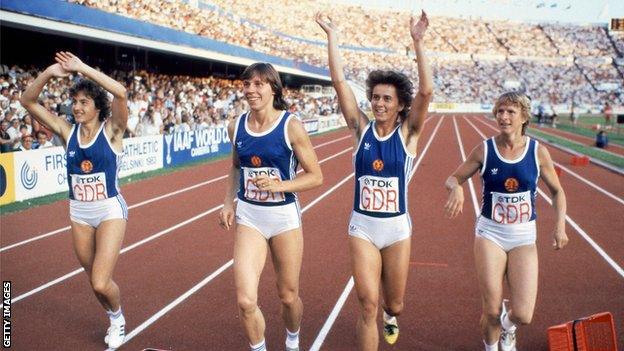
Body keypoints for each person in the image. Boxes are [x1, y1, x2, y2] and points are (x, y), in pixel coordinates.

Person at [316, 11, 433, 350]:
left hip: (396, 230)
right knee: (366, 304)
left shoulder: (409, 134)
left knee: (392, 304)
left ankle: (391, 316)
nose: (379, 103)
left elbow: (426, 91)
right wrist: (332, 36)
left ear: (400, 106)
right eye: (376, 97)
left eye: (387, 99)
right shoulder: (360, 129)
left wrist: (418, 42)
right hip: (363, 228)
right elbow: (339, 83)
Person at [444, 92, 569, 351]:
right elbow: (453, 178)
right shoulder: (485, 149)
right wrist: (455, 187)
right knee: (490, 309)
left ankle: (507, 328)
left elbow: (557, 191)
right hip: (491, 234)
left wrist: (560, 226)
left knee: (523, 314)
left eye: (510, 112)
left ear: (524, 116)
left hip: (523, 237)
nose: (503, 116)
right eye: (500, 111)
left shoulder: (538, 152)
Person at [20, 51, 129, 349]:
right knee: (93, 279)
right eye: (75, 102)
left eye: (84, 102)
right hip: (79, 213)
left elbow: (120, 92)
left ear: (97, 107)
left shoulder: (113, 130)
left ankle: (118, 320)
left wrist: (82, 68)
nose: (76, 107)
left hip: (109, 209)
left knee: (100, 281)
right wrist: (47, 73)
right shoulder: (66, 131)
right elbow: (27, 102)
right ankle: (112, 315)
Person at [218, 62, 323, 351]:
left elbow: (317, 176)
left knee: (288, 296)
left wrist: (280, 185)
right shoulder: (235, 126)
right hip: (250, 215)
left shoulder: (291, 126)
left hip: (283, 217)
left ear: (273, 88)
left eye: (258, 84)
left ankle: (292, 339)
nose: (251, 90)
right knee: (245, 300)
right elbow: (235, 166)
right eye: (247, 84)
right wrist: (229, 201)